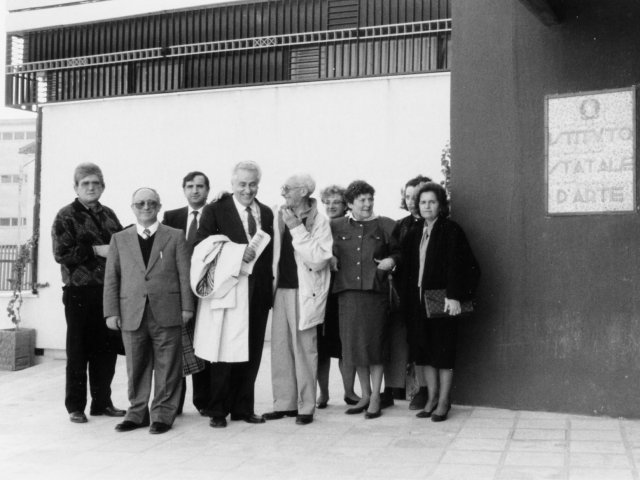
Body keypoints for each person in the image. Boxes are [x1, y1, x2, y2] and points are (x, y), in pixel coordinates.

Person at [104, 188, 194, 434]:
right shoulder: (120, 239)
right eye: (140, 203)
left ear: (159, 206)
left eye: (151, 203)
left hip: (167, 310)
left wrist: (187, 306)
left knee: (168, 366)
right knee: (136, 364)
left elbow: (184, 275)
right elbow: (112, 278)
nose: (146, 207)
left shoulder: (175, 236)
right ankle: (137, 413)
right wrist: (111, 312)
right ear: (132, 207)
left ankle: (163, 415)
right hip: (131, 311)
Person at [195, 160, 274, 428]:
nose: (247, 190)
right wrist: (236, 254)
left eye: (252, 184)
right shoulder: (215, 209)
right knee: (224, 351)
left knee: (251, 351)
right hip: (229, 289)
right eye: (242, 184)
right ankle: (217, 409)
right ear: (232, 184)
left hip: (258, 291)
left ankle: (243, 408)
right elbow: (202, 246)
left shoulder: (266, 212)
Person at [52, 162, 126, 424]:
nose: (91, 187)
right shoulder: (66, 215)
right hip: (79, 293)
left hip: (108, 292)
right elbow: (61, 254)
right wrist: (96, 250)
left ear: (103, 186)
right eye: (86, 183)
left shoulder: (109, 215)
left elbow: (122, 247)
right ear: (76, 187)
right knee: (78, 351)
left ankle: (102, 403)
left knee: (106, 350)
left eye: (96, 183)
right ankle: (75, 406)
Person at [402, 182, 479, 422]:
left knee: (443, 353)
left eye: (432, 202)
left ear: (440, 205)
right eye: (422, 202)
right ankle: (431, 398)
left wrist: (455, 295)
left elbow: (465, 266)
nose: (426, 206)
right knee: (424, 352)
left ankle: (444, 401)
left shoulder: (451, 230)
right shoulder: (415, 231)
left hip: (442, 302)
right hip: (418, 303)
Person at [263, 174, 332, 425]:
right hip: (280, 290)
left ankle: (306, 407)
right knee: (280, 349)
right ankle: (284, 404)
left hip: (305, 293)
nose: (283, 192)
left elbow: (318, 258)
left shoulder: (319, 222)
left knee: (305, 350)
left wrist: (296, 228)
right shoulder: (278, 215)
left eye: (287, 189)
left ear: (303, 191)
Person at [330, 180, 399, 419]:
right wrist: (329, 258)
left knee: (375, 347)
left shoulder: (386, 225)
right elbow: (319, 244)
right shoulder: (335, 226)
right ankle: (365, 395)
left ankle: (377, 397)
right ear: (349, 204)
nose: (367, 204)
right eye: (362, 200)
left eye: (370, 199)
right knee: (355, 347)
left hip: (375, 294)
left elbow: (400, 250)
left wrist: (392, 261)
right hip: (348, 294)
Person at [162, 171, 211, 416]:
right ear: (183, 189)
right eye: (190, 186)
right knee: (178, 345)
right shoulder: (172, 216)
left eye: (200, 186)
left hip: (205, 290)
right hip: (179, 288)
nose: (195, 191)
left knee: (201, 345)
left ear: (207, 190)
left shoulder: (215, 215)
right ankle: (175, 403)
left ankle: (203, 401)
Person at [384, 175, 432, 411]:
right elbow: (393, 252)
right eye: (408, 197)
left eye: (417, 197)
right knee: (396, 341)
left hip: (424, 295)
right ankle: (391, 390)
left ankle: (423, 390)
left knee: (421, 343)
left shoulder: (432, 224)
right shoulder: (401, 225)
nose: (413, 201)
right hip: (402, 293)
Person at [316, 185, 360, 408]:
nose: (331, 206)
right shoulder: (319, 225)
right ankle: (323, 394)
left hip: (344, 290)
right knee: (322, 348)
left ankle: (349, 391)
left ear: (346, 205)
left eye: (337, 202)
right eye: (328, 202)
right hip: (323, 292)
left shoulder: (352, 227)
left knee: (346, 345)